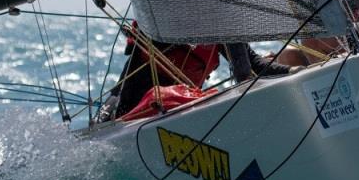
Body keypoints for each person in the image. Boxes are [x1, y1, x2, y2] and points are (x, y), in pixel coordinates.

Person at [96, 24, 295, 122]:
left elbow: (255, 65)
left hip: (175, 104)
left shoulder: (221, 26)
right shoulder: (163, 15)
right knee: (104, 122)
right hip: (132, 95)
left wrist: (294, 70)